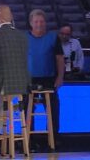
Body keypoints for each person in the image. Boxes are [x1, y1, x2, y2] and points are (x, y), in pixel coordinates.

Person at [25, 10, 63, 147]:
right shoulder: (24, 37)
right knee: (27, 110)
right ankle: (27, 140)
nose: (39, 24)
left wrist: (60, 77)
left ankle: (53, 139)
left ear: (45, 23)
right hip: (28, 80)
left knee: (53, 110)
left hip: (49, 79)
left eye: (41, 21)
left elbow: (59, 59)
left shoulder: (53, 37)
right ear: (31, 23)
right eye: (36, 22)